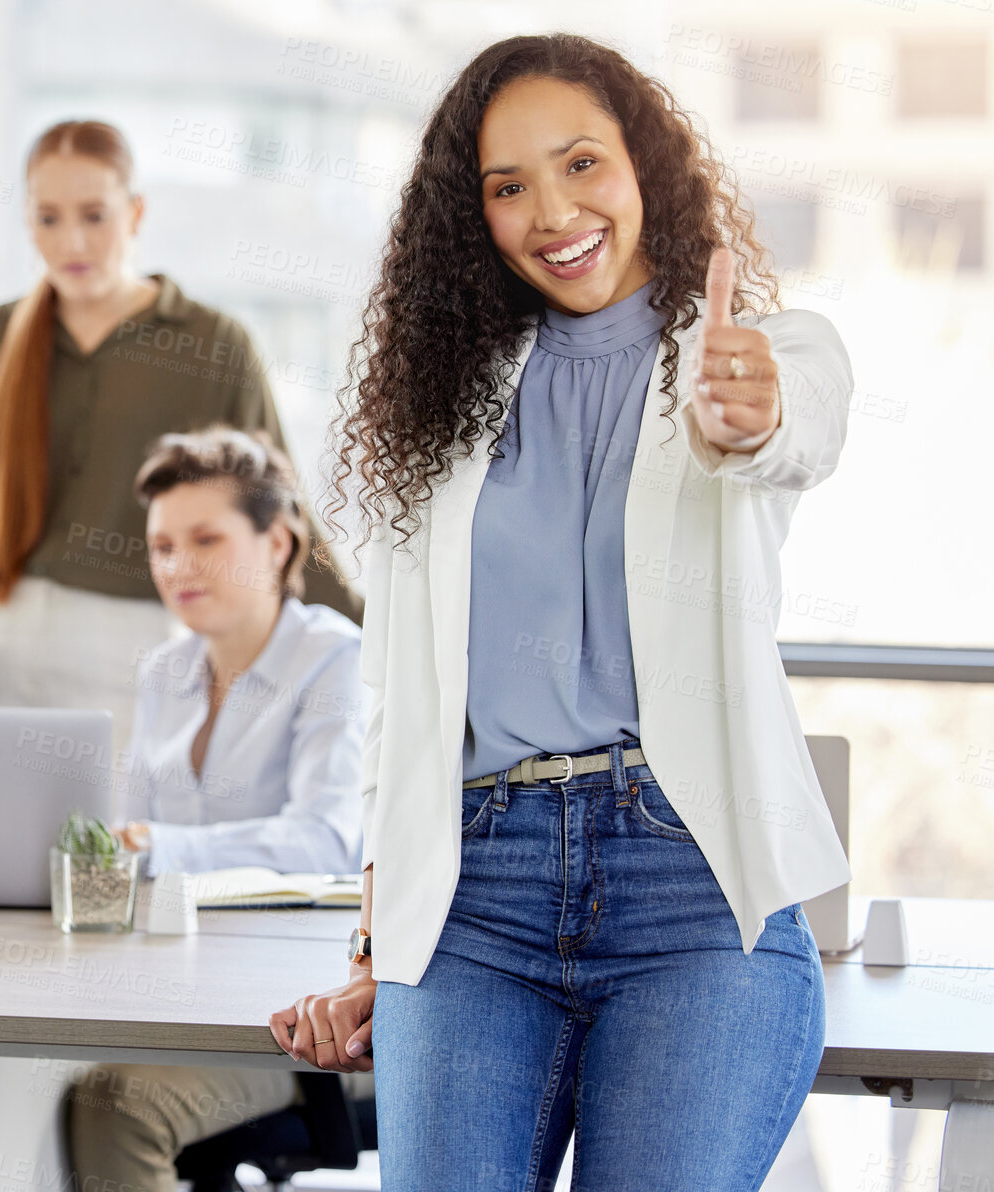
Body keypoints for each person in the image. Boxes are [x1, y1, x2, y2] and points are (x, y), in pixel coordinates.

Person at [269, 34, 853, 1190]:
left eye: (581, 163)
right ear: (469, 214)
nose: (552, 210)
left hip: (689, 896)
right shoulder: (436, 407)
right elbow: (405, 718)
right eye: (507, 186)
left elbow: (790, 430)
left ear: (644, 164)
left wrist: (747, 415)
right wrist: (376, 951)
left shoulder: (756, 352)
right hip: (473, 906)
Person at [0, 119, 361, 756]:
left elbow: (279, 510)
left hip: (140, 648)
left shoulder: (212, 344)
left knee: (122, 852)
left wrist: (374, 636)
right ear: (26, 222)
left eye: (94, 216)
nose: (72, 240)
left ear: (135, 214)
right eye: (48, 218)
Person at [67, 427, 370, 1192]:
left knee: (116, 1104)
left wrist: (155, 847)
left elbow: (329, 840)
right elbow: (127, 845)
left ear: (277, 543)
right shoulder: (165, 672)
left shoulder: (337, 658)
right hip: (176, 989)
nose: (178, 566)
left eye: (205, 539)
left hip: (306, 1013)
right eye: (163, 546)